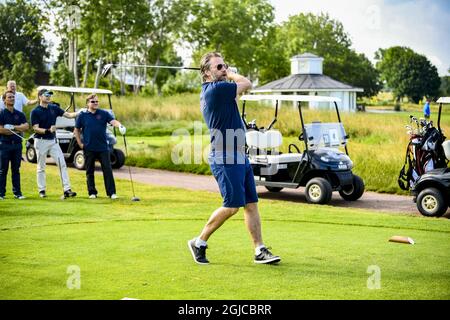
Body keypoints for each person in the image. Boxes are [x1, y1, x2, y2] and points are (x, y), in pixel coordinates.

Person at [187, 52, 281, 265]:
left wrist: (225, 73)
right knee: (231, 205)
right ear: (206, 72)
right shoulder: (216, 89)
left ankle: (259, 249)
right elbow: (246, 83)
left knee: (251, 204)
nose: (223, 69)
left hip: (239, 154)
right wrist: (230, 74)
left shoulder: (220, 91)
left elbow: (237, 96)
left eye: (225, 66)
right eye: (219, 67)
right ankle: (199, 242)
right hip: (225, 155)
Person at [73, 94, 126, 199]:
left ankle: (111, 193)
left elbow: (113, 121)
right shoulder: (82, 116)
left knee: (107, 170)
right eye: (93, 102)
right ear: (88, 103)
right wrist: (80, 143)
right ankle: (92, 192)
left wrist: (120, 125)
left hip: (103, 148)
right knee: (90, 171)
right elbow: (76, 130)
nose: (96, 103)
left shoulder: (104, 113)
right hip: (89, 147)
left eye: (97, 101)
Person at [30, 88, 78, 198]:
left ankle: (67, 189)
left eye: (50, 95)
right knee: (41, 167)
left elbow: (69, 115)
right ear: (40, 97)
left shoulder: (54, 108)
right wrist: (47, 130)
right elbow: (36, 129)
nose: (48, 96)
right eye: (46, 95)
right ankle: (42, 190)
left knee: (62, 164)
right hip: (40, 142)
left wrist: (82, 112)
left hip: (53, 142)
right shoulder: (35, 111)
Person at [0, 90, 29, 200]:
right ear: (4, 100)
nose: (12, 98)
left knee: (16, 170)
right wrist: (18, 128)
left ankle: (18, 193)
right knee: (3, 170)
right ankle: (1, 193)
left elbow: (26, 127)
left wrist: (12, 127)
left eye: (13, 97)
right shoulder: (1, 114)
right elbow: (1, 130)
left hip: (17, 145)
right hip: (4, 145)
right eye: (9, 97)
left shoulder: (19, 114)